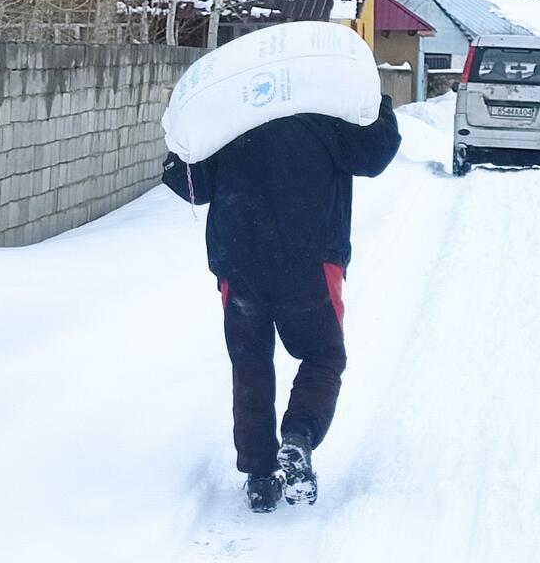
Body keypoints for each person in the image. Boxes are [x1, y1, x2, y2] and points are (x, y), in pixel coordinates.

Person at [161, 94, 401, 512]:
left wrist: (179, 138)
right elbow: (374, 155)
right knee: (323, 355)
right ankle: (299, 437)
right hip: (309, 263)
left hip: (239, 263)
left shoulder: (229, 118)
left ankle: (258, 476)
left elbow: (191, 185)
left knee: (250, 362)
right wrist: (375, 103)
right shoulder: (322, 113)